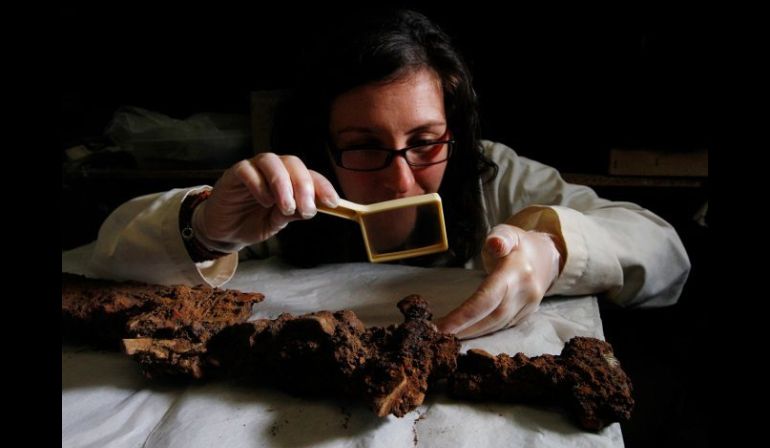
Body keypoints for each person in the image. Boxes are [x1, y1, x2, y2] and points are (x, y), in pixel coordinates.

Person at [90, 9, 690, 339]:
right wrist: (202, 231)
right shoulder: (280, 201)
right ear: (322, 145)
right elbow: (104, 264)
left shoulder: (494, 178)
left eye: (425, 142)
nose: (403, 182)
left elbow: (666, 256)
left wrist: (556, 249)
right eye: (365, 146)